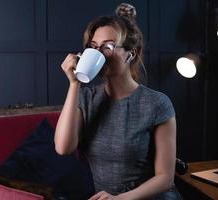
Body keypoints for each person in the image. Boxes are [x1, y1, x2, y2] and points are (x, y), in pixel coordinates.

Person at [54, 3, 181, 200]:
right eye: (94, 47)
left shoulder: (157, 103)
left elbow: (165, 178)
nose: (99, 54)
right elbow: (63, 147)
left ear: (132, 53)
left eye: (108, 46)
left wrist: (120, 199)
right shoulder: (86, 98)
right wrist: (74, 83)